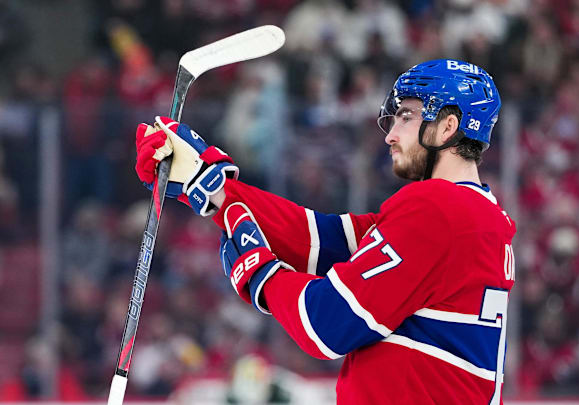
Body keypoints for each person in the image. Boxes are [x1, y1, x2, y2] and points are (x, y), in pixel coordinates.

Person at [135, 59, 515, 404]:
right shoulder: (474, 215)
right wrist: (210, 184)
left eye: (406, 116)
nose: (391, 134)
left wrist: (260, 275)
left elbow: (327, 325)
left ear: (448, 126)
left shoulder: (438, 210)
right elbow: (318, 239)